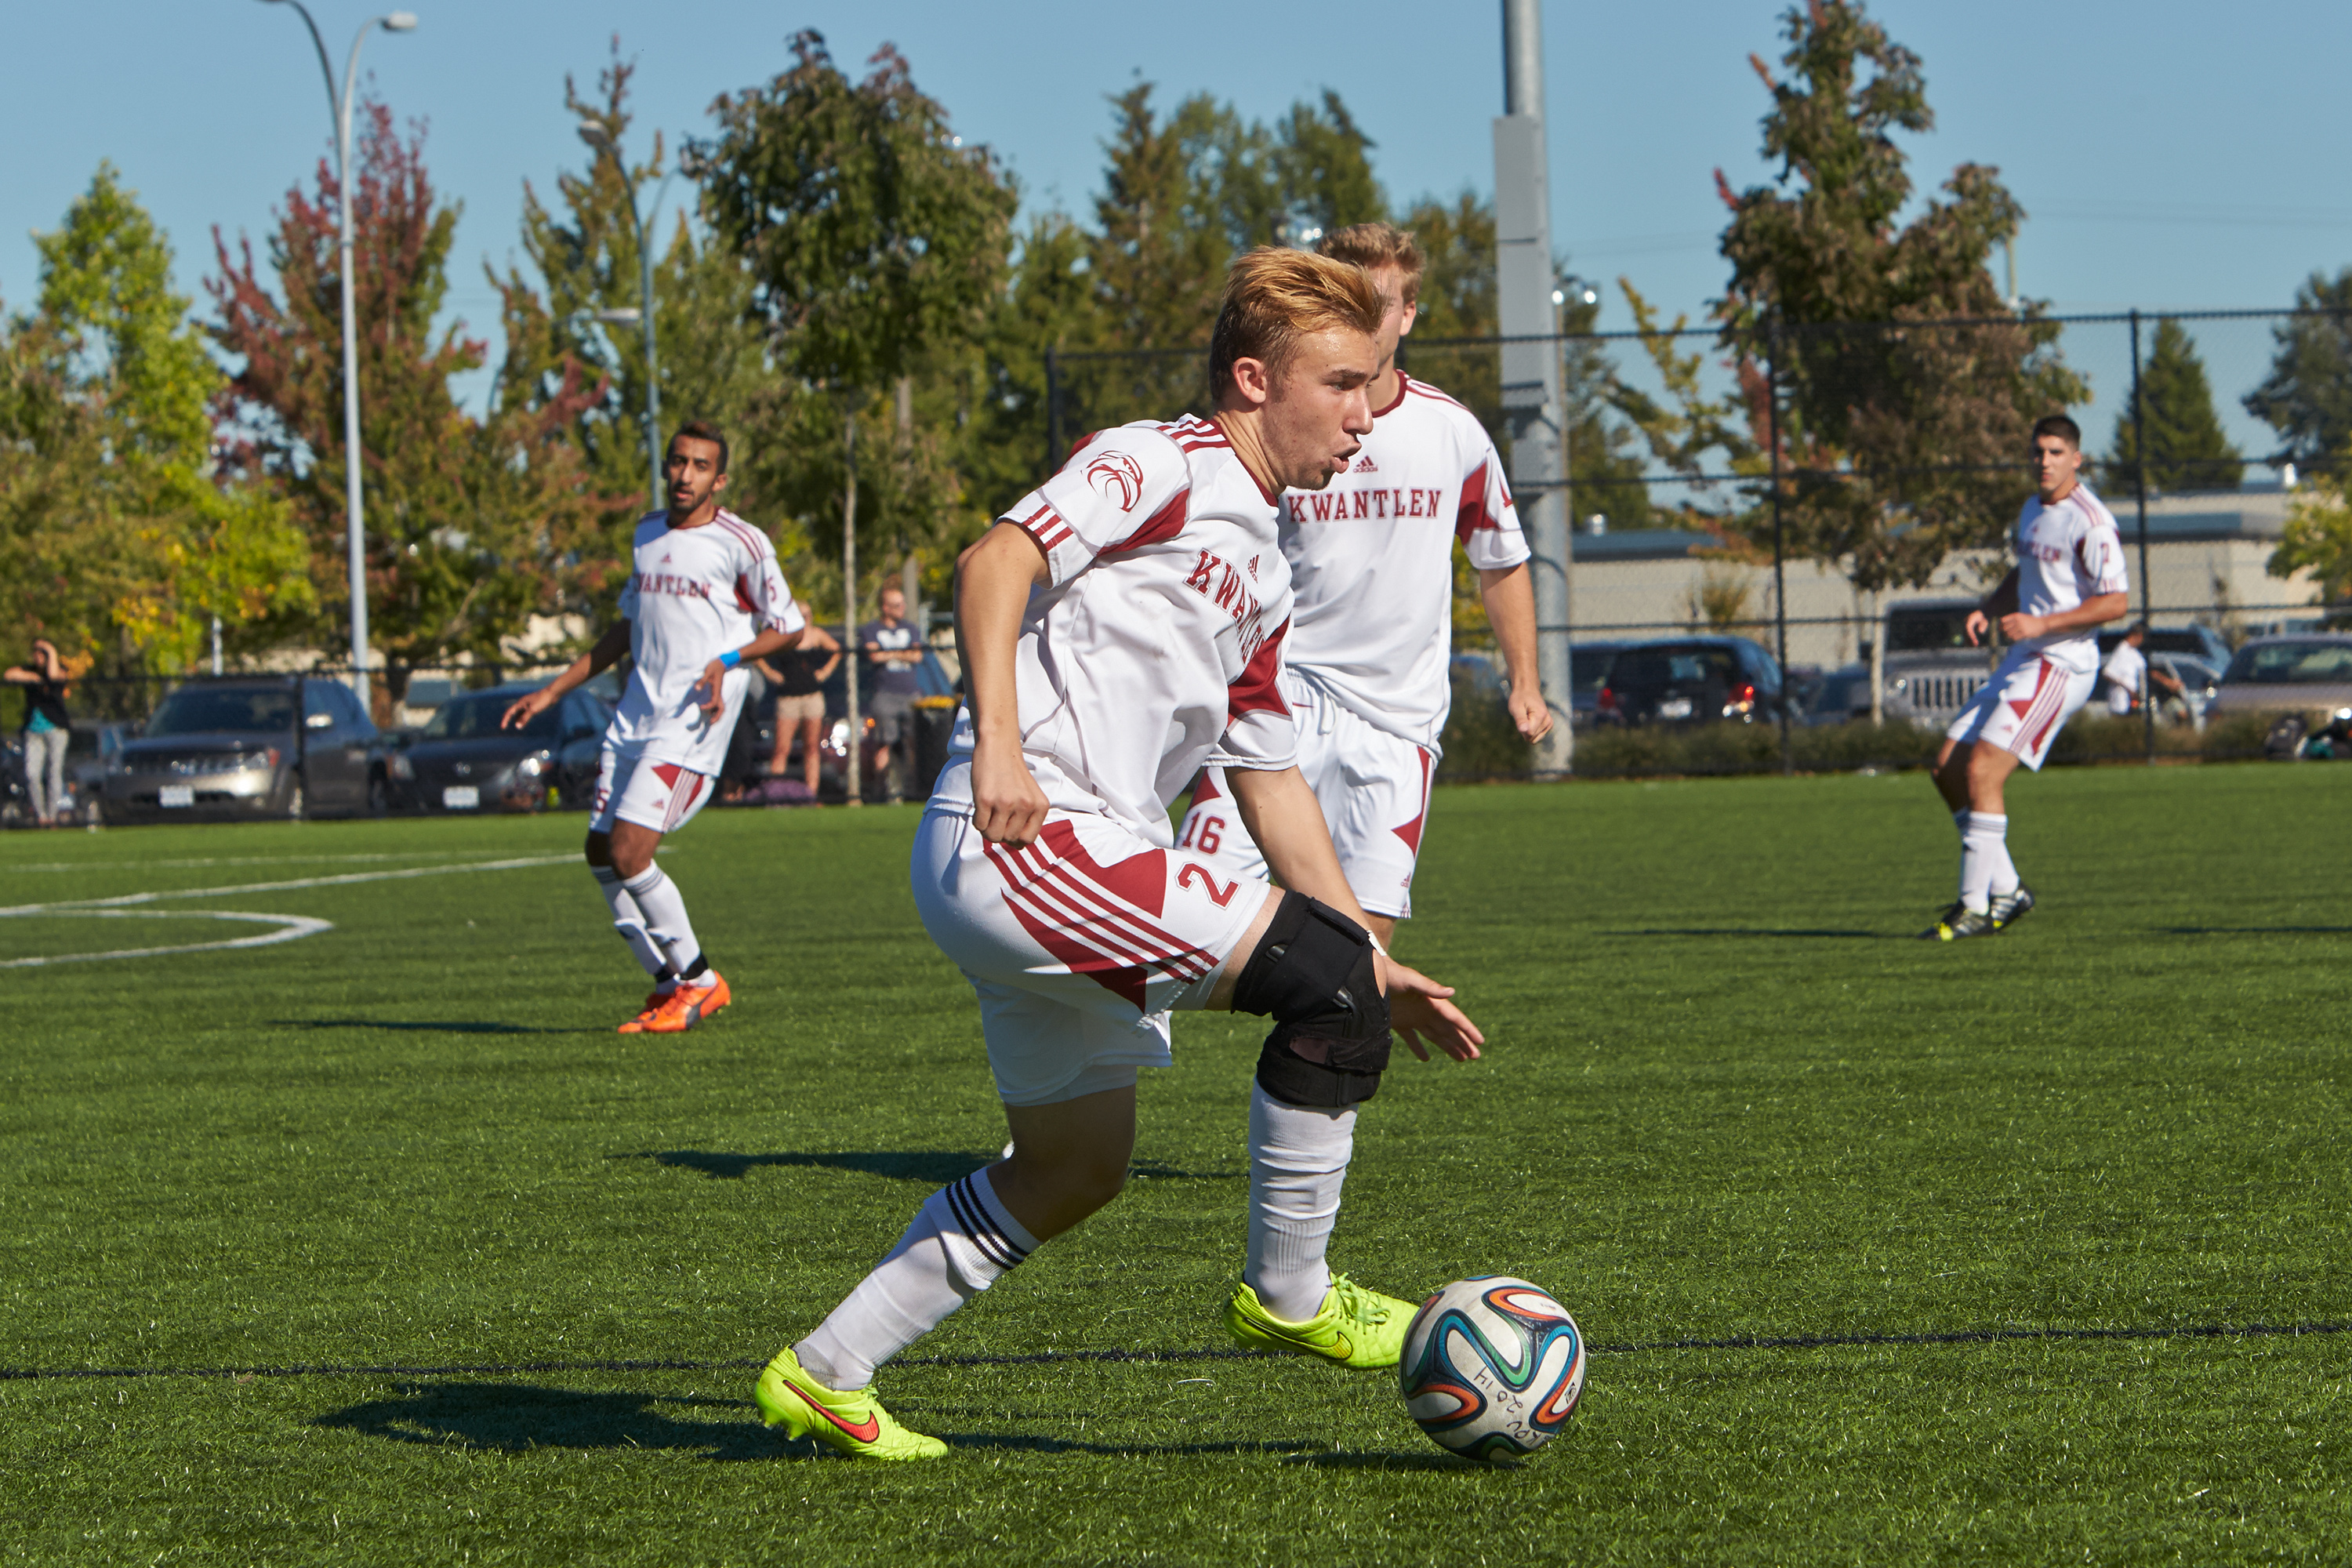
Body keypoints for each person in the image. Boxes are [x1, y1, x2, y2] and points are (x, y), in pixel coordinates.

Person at [750, 248, 1484, 1461]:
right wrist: (998, 751)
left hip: (1061, 861)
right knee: (1324, 992)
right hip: (1029, 837)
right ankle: (1290, 1295)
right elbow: (996, 562)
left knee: (1077, 1167)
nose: (1367, 416)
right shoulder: (1161, 460)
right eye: (1345, 384)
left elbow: (1268, 776)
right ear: (1254, 380)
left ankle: (824, 1371)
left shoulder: (1263, 561)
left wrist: (1364, 946)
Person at [1175, 222, 1549, 949]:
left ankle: (1290, 1068)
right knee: (1190, 924)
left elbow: (1499, 557)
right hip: (1274, 699)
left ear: (1408, 315)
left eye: (1380, 302)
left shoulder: (1452, 432)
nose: (1366, 317)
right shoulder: (1275, 425)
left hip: (1396, 723)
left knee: (1359, 958)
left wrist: (1524, 680)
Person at [503, 420, 805, 1029]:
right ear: (667, 467)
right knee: (599, 851)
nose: (686, 475)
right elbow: (625, 631)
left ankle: (699, 983)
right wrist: (552, 690)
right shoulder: (646, 533)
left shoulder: (741, 542)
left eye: (700, 466)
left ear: (719, 479)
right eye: (678, 463)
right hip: (636, 714)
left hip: (692, 718)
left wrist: (727, 660)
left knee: (630, 850)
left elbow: (789, 625)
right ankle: (669, 982)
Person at [1921, 415, 2129, 941]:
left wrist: (2043, 623)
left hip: (2063, 663)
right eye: (2038, 451)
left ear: (2076, 458)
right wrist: (1989, 607)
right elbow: (2026, 572)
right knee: (1947, 768)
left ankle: (1972, 906)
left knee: (1984, 773)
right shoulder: (2032, 510)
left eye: (2057, 452)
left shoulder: (2092, 520)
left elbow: (2116, 603)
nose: (2045, 461)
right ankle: (2009, 889)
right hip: (2025, 657)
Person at [760, 602, 839, 797]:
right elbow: (757, 651)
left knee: (812, 747)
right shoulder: (783, 635)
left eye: (808, 616)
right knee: (781, 748)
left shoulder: (816, 635)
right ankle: (775, 794)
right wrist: (769, 672)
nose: (806, 620)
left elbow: (837, 650)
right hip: (788, 698)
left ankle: (811, 793)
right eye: (802, 616)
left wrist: (825, 672)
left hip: (812, 696)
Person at [858, 584, 924, 802]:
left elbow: (917, 657)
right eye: (897, 605)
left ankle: (914, 789)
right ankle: (883, 792)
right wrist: (901, 654)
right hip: (885, 694)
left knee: (913, 742)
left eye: (903, 604)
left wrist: (889, 654)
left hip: (911, 694)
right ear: (885, 608)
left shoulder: (911, 628)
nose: (902, 608)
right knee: (884, 743)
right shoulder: (871, 629)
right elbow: (874, 657)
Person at [5, 639, 73, 828]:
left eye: (42, 653)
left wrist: (51, 650)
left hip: (56, 729)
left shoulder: (59, 669)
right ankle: (41, 816)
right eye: (36, 652)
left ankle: (52, 815)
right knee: (32, 774)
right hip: (33, 732)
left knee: (54, 772)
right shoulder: (30, 671)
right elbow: (9, 674)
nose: (38, 656)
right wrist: (33, 678)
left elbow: (53, 676)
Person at [2100, 622, 2183, 717]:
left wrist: (2167, 682)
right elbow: (2108, 673)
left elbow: (2148, 671)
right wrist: (2128, 688)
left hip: (2135, 700)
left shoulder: (2134, 653)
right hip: (2121, 701)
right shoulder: (2122, 650)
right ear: (2138, 636)